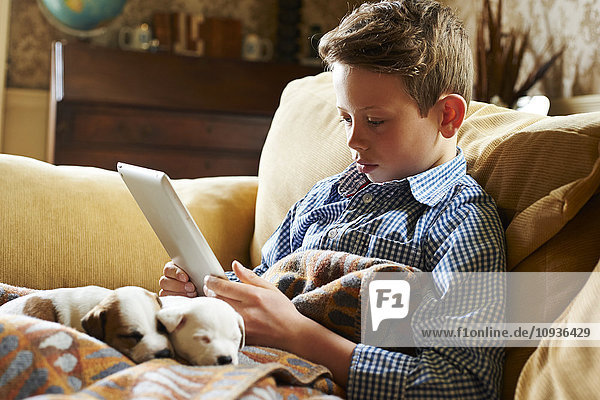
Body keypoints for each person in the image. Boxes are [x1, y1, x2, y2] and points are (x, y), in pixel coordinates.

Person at [159, 1, 506, 398]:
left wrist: (297, 334)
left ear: (447, 116)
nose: (353, 141)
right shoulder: (324, 197)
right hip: (236, 361)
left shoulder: (462, 223)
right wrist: (205, 297)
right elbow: (266, 285)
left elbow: (466, 386)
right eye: (346, 118)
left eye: (375, 121)